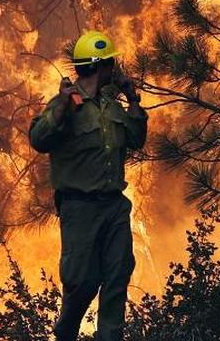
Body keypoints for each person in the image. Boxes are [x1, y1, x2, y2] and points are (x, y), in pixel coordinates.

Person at [29, 30, 148, 341]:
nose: (116, 71)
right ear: (101, 66)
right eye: (112, 65)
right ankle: (65, 333)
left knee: (117, 276)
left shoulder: (111, 107)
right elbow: (38, 140)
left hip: (113, 206)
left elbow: (136, 138)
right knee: (82, 282)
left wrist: (133, 98)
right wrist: (61, 108)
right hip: (79, 209)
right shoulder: (66, 103)